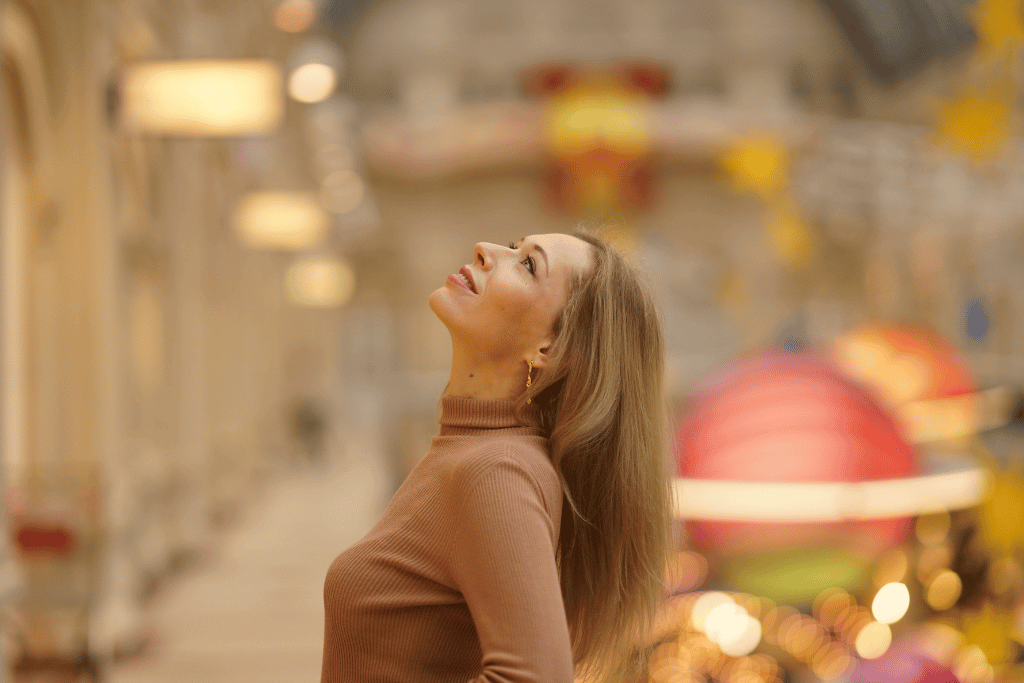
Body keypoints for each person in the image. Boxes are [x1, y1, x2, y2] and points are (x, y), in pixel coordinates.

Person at [321, 230, 673, 683]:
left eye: (528, 265)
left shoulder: (496, 470)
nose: (485, 251)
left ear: (548, 349)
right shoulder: (473, 450)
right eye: (513, 245)